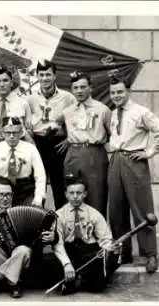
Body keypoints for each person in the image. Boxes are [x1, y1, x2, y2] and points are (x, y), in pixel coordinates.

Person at [107, 76, 159, 274]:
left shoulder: (141, 112)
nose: (116, 95)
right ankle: (123, 252)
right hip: (116, 159)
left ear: (128, 92)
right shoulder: (113, 114)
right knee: (116, 209)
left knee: (142, 209)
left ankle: (150, 254)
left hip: (134, 161)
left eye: (120, 92)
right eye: (113, 92)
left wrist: (149, 152)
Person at [48, 173, 121, 294]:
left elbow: (105, 238)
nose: (75, 196)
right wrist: (66, 264)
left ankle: (80, 280)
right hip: (69, 251)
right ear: (66, 194)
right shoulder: (59, 215)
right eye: (71, 193)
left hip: (88, 252)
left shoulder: (94, 214)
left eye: (79, 193)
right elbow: (57, 243)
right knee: (51, 262)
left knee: (100, 281)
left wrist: (108, 248)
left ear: (85, 194)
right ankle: (79, 279)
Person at [56, 71, 112, 218]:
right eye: (76, 88)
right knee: (73, 194)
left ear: (90, 88)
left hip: (94, 153)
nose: (79, 91)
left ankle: (98, 236)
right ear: (72, 90)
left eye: (83, 87)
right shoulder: (67, 112)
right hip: (73, 154)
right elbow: (58, 127)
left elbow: (112, 133)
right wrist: (68, 139)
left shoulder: (102, 109)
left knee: (96, 195)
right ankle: (75, 235)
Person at [27, 59, 77, 209]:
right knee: (37, 184)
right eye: (41, 74)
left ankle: (61, 223)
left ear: (55, 76)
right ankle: (35, 221)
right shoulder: (30, 98)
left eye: (48, 74)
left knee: (59, 185)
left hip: (58, 144)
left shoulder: (67, 97)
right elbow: (26, 123)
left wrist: (70, 139)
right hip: (38, 142)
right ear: (36, 75)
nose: (44, 78)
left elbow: (78, 119)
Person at [0, 178, 34, 301]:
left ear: (13, 195)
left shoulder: (21, 210)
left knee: (24, 250)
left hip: (18, 255)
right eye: (1, 195)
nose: (5, 198)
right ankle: (13, 282)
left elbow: (34, 241)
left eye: (8, 194)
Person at [0, 116, 46, 209]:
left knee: (33, 213)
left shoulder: (31, 149)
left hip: (24, 189)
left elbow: (40, 176)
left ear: (21, 133)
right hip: (0, 188)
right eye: (8, 133)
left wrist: (38, 198)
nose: (12, 136)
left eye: (15, 133)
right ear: (2, 133)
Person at [0, 64, 34, 154]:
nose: (2, 84)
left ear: (11, 83)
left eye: (5, 80)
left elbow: (29, 129)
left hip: (17, 145)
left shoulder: (23, 103)